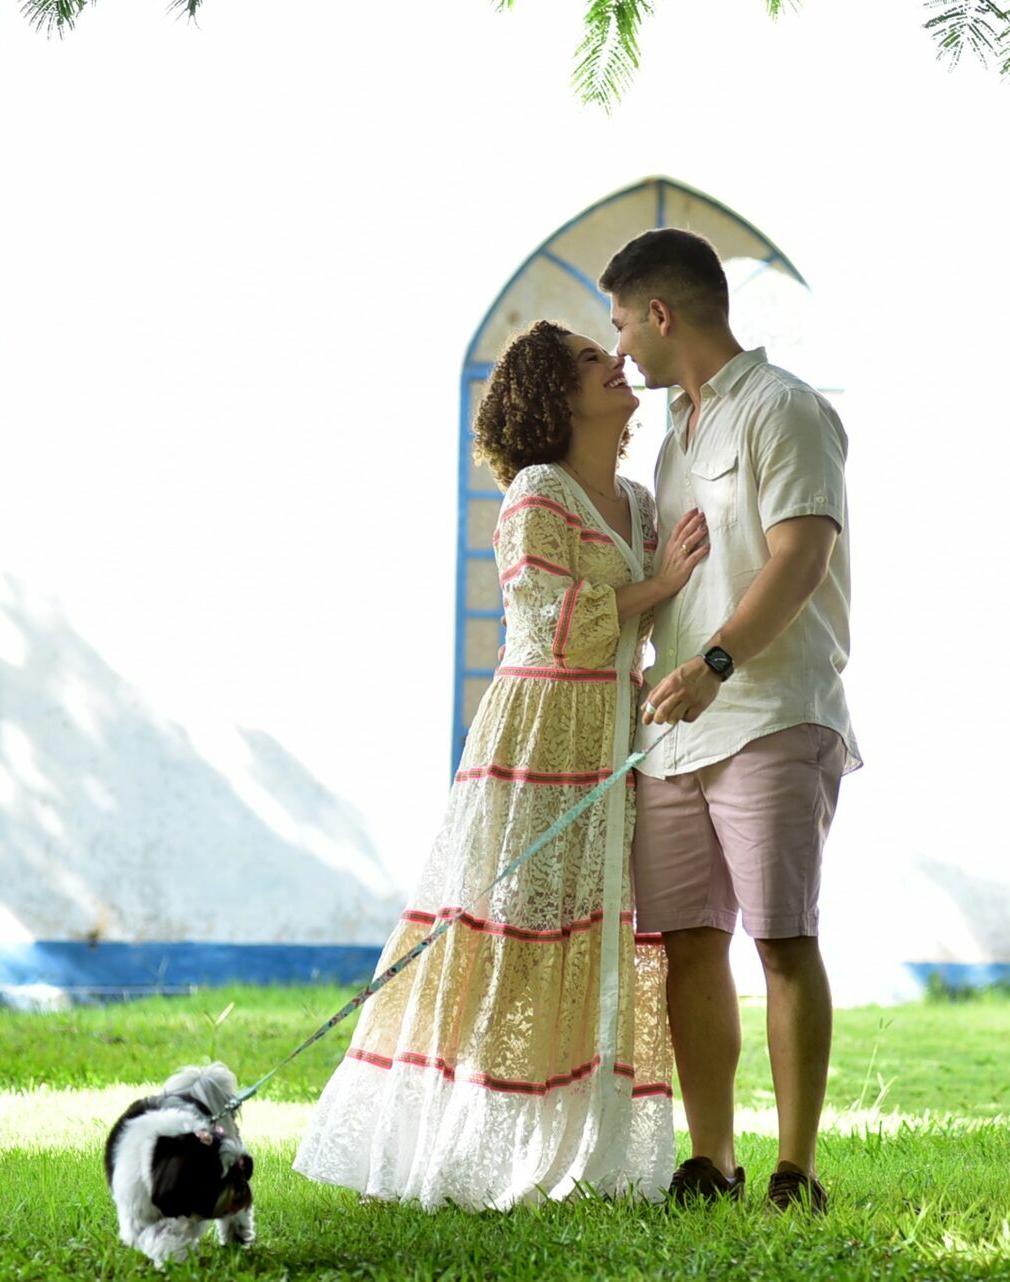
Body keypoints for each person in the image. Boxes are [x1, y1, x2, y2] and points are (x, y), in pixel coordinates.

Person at [293, 320, 710, 1210]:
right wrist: (659, 588)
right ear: (557, 395)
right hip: (534, 737)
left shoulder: (640, 503)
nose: (617, 362)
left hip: (608, 733)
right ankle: (445, 1147)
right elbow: (560, 622)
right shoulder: (535, 492)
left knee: (596, 935)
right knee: (504, 936)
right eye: (595, 361)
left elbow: (630, 628)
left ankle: (585, 1157)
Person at [601, 228, 862, 1214]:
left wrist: (715, 662)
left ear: (662, 313)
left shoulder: (784, 409)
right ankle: (712, 1158)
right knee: (687, 942)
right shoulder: (674, 436)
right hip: (677, 733)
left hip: (766, 712)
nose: (617, 344)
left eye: (622, 322)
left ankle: (796, 1168)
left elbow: (800, 554)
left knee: (783, 941)